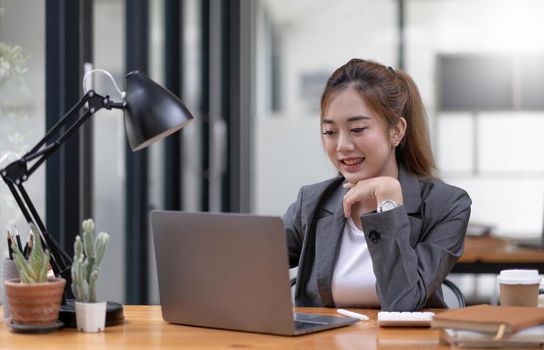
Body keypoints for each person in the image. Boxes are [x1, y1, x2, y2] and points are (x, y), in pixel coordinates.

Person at [283, 58, 471, 311]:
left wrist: (388, 201)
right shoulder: (313, 201)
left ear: (396, 131)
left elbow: (402, 302)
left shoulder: (446, 205)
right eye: (329, 132)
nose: (342, 146)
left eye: (358, 129)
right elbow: (250, 263)